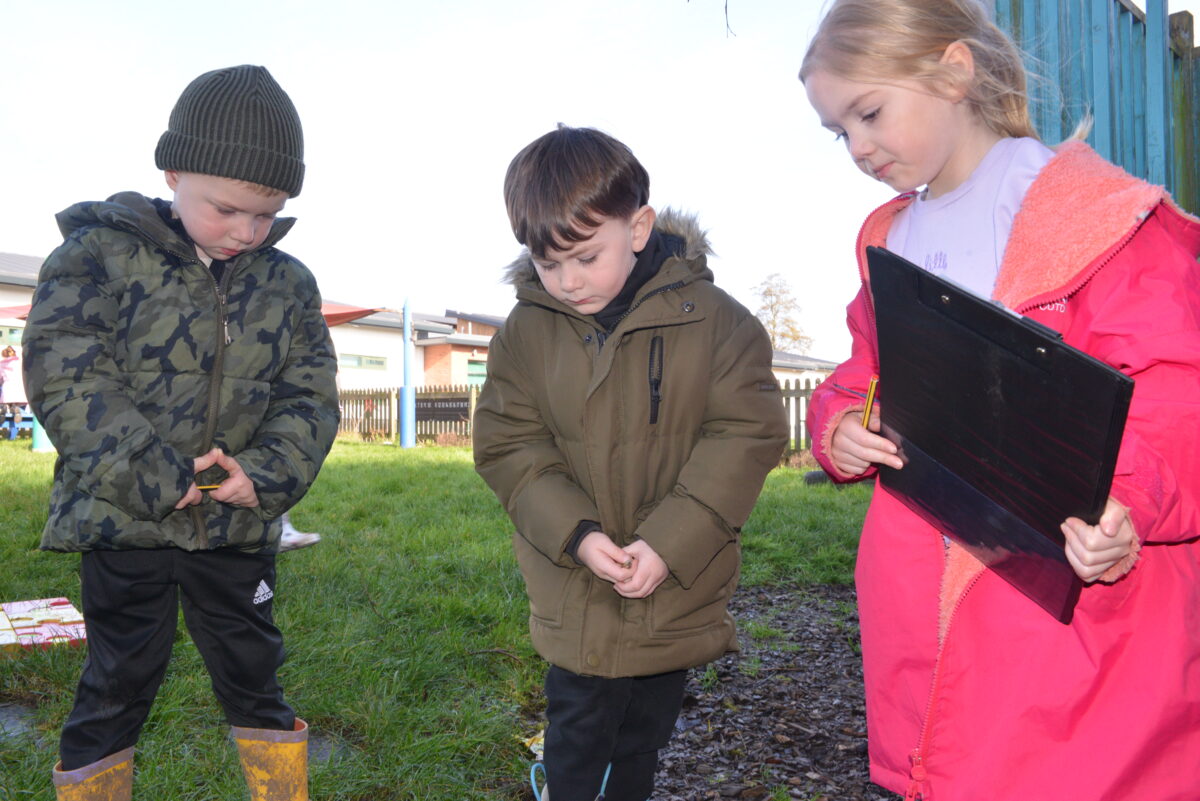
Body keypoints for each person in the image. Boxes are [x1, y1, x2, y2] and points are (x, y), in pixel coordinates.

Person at [800, 1, 1200, 799]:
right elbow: (864, 369)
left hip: (1067, 639)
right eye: (837, 131)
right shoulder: (889, 239)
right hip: (920, 616)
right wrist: (839, 423)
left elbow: (1179, 392)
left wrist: (1125, 501)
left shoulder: (1099, 218)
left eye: (868, 113)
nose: (857, 147)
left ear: (954, 70)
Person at [22, 65, 339, 801]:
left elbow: (311, 394)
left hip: (235, 526)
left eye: (267, 215)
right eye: (227, 209)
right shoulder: (94, 258)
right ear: (173, 172)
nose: (247, 232)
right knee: (116, 680)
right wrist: (157, 478)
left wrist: (265, 473)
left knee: (254, 674)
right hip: (124, 523)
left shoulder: (288, 284)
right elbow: (68, 379)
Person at [473, 125, 788, 801]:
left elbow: (747, 434)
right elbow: (508, 445)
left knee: (643, 733)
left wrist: (669, 542)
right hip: (572, 581)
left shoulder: (718, 323)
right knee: (577, 730)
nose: (567, 281)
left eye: (586, 257)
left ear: (638, 227)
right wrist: (578, 535)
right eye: (547, 263)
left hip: (673, 586)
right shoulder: (525, 333)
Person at [0, 344, 27, 439]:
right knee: (20, 412)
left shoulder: (1, 364)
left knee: (6, 403)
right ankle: (11, 438)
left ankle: (4, 409)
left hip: (7, 392)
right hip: (21, 392)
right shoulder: (21, 363)